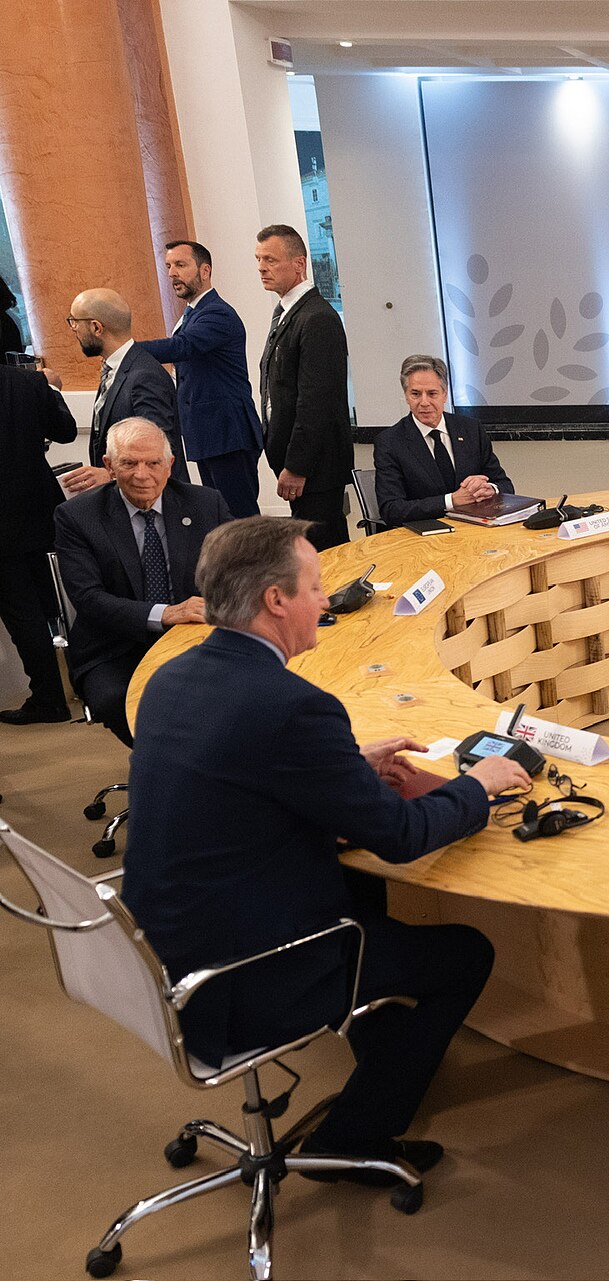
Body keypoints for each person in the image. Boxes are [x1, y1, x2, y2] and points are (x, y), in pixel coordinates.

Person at [122, 516, 531, 1181]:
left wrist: (341, 764)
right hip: (243, 972)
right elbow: (399, 839)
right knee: (465, 953)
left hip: (173, 946)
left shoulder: (176, 676)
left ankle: (379, 1046)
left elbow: (244, 770)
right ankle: (353, 1140)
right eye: (316, 586)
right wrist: (478, 786)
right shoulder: (293, 705)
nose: (326, 599)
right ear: (276, 600)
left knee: (362, 888)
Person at [51, 419, 232, 747]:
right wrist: (166, 613)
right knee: (123, 702)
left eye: (153, 463)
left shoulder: (206, 504)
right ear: (109, 465)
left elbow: (242, 566)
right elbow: (88, 598)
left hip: (196, 638)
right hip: (114, 648)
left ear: (170, 465)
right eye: (129, 463)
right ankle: (169, 773)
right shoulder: (77, 516)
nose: (142, 474)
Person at [132, 240, 266, 517]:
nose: (172, 273)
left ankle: (258, 563)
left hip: (228, 433)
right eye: (169, 266)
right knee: (220, 516)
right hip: (208, 434)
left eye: (181, 265)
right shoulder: (192, 313)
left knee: (239, 519)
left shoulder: (217, 313)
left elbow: (182, 347)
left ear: (205, 271)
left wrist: (126, 349)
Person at [256, 223, 352, 549]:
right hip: (299, 466)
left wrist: (297, 466)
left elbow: (316, 402)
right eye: (258, 259)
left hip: (316, 470)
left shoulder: (317, 318)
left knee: (325, 557)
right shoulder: (286, 312)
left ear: (299, 264)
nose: (261, 267)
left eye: (270, 259)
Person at [0, 362, 77, 725]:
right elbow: (63, 431)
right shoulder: (30, 382)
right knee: (55, 600)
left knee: (21, 611)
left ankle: (47, 697)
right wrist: (53, 389)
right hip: (38, 507)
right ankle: (79, 683)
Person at [62, 287, 187, 495]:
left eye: (75, 321)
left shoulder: (144, 376)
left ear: (96, 327)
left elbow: (160, 450)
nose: (73, 328)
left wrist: (110, 474)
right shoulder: (119, 368)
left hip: (153, 499)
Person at [372, 354, 514, 526]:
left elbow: (505, 485)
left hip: (475, 530)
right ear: (406, 396)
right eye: (416, 394)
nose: (424, 402)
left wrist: (490, 489)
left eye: (432, 393)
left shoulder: (471, 429)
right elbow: (392, 509)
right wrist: (451, 501)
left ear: (444, 394)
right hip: (424, 537)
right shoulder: (390, 442)